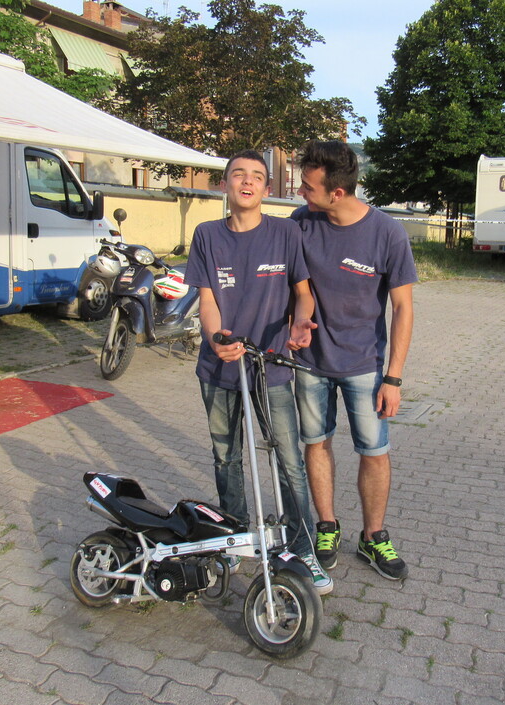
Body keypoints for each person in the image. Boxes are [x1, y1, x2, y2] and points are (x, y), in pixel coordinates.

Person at [184, 149, 331, 594]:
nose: (247, 182)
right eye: (238, 174)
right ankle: (234, 536)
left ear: (267, 188)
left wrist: (301, 321)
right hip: (219, 370)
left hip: (272, 369)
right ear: (224, 184)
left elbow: (303, 294)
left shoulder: (285, 233)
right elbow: (207, 300)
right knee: (226, 458)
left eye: (256, 176)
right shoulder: (207, 235)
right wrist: (215, 339)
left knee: (288, 460)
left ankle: (302, 547)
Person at [291, 140, 417, 581]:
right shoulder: (301, 223)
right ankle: (326, 527)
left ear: (338, 192)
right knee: (316, 443)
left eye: (308, 187)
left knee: (375, 452)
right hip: (310, 363)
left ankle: (373, 536)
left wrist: (393, 378)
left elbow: (403, 308)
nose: (301, 192)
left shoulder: (387, 233)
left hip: (365, 365)